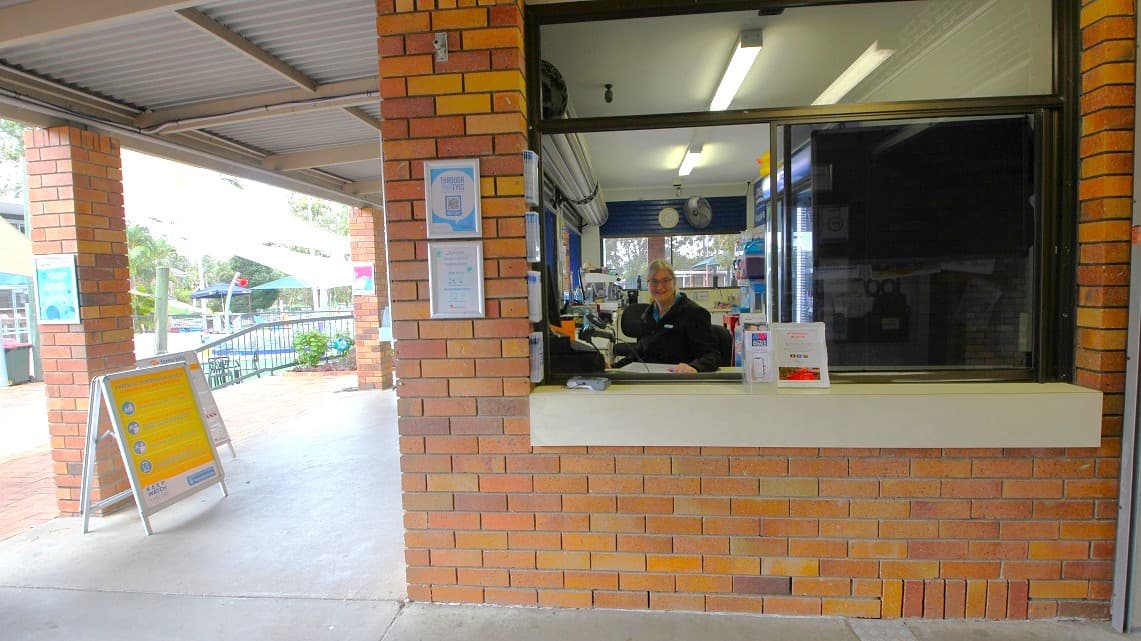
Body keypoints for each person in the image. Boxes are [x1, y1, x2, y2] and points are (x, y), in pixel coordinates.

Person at [633, 259, 720, 373]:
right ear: (648, 284)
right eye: (654, 281)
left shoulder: (694, 313)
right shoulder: (647, 316)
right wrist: (613, 367)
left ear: (674, 282)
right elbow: (639, 355)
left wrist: (694, 367)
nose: (659, 287)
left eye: (665, 280)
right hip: (652, 379)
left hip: (681, 380)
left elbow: (711, 355)